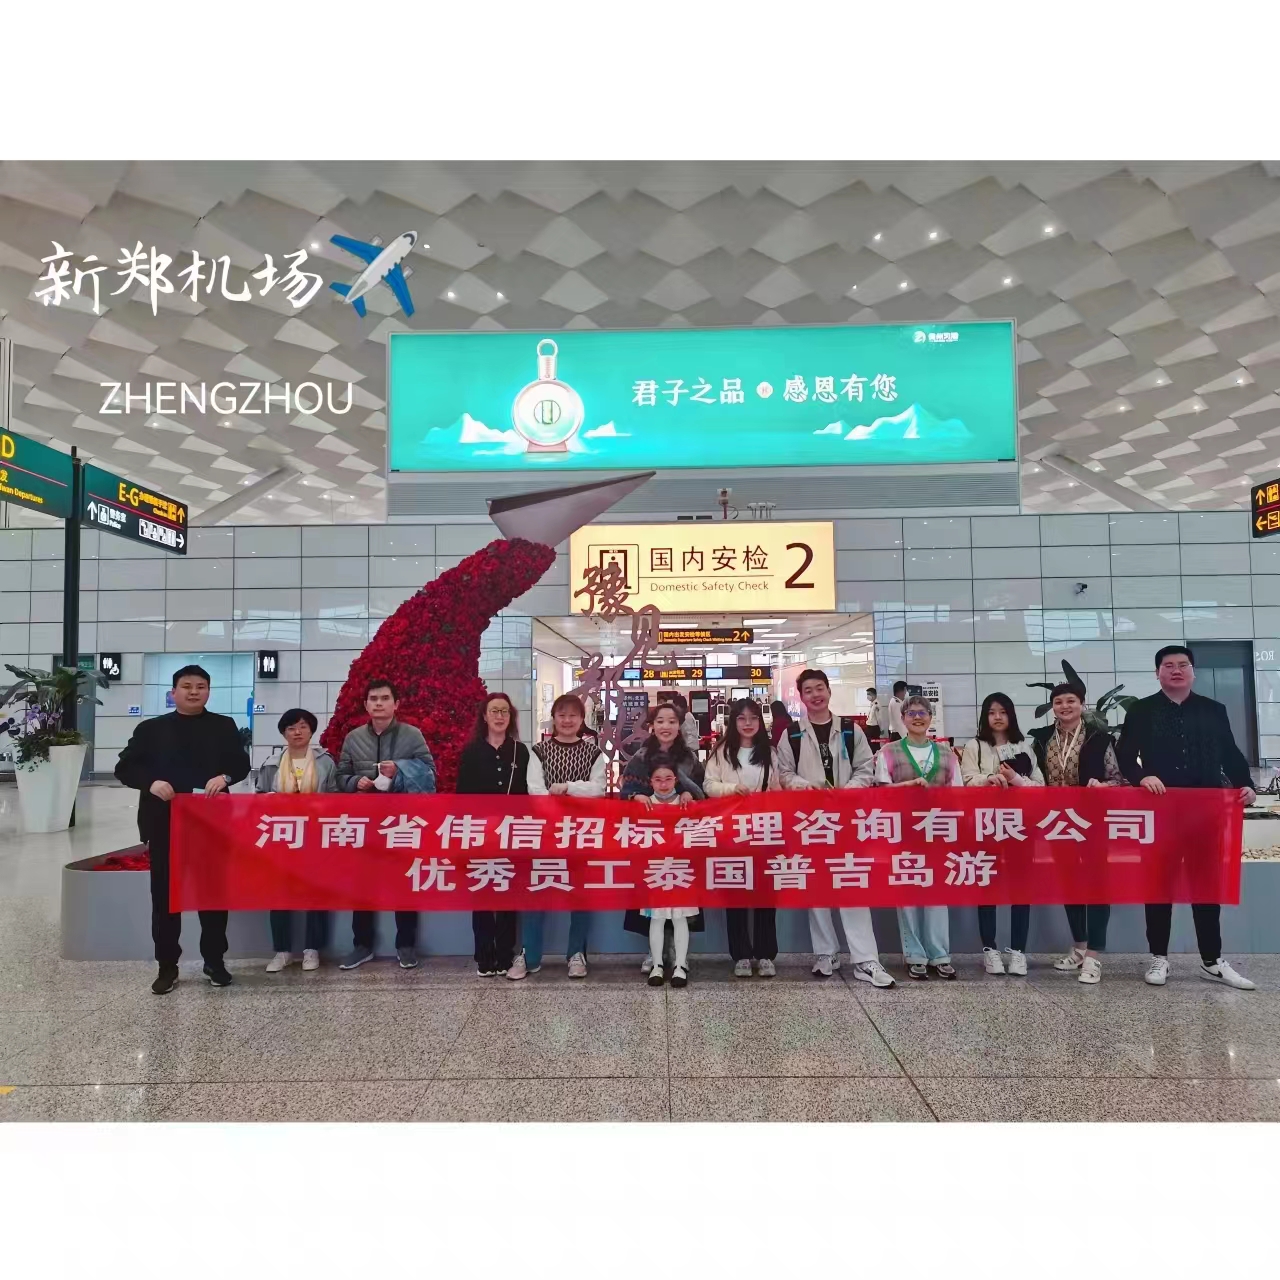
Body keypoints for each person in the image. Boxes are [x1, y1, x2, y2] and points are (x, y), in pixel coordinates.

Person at [1117, 645, 1257, 990]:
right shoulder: (1141, 710)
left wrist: (1246, 784)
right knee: (1158, 885)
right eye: (1168, 666)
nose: (1176, 670)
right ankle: (1158, 957)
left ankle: (1212, 959)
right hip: (1160, 811)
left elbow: (1230, 753)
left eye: (1183, 665)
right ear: (1158, 673)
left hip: (1205, 813)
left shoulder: (1213, 710)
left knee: (1205, 885)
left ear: (1193, 671)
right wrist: (1141, 777)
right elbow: (1124, 755)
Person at [115, 664, 251, 995]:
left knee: (213, 895)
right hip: (165, 824)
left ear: (208, 692)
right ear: (173, 692)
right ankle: (167, 966)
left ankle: (214, 961)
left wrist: (225, 777)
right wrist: (151, 782)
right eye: (187, 686)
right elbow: (124, 767)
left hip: (212, 826)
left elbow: (240, 764)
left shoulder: (223, 726)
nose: (194, 691)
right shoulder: (151, 729)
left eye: (201, 686)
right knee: (165, 898)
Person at [782, 668, 895, 987]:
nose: (815, 695)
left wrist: (847, 793)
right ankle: (825, 953)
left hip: (847, 820)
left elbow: (866, 768)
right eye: (808, 690)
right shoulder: (792, 734)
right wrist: (806, 787)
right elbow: (784, 773)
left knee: (851, 884)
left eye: (819, 688)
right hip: (810, 821)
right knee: (816, 888)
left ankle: (865, 959)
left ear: (828, 691)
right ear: (801, 697)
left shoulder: (850, 730)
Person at [336, 678, 436, 972]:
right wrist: (356, 781)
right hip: (365, 821)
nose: (378, 703)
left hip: (401, 821)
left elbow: (430, 774)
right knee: (362, 883)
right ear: (366, 705)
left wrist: (400, 769)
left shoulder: (412, 735)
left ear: (396, 704)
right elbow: (340, 777)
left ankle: (406, 945)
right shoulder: (353, 738)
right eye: (373, 699)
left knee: (404, 882)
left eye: (384, 698)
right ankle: (362, 945)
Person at [1029, 682, 1124, 984]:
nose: (1065, 706)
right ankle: (1080, 947)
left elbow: (1119, 779)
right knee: (1069, 883)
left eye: (1071, 701)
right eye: (1058, 702)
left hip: (1092, 821)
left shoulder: (1099, 738)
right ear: (1052, 707)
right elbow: (1034, 777)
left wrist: (1103, 786)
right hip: (1058, 821)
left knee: (1097, 885)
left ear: (1082, 704)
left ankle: (1094, 954)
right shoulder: (1042, 739)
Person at [516, 693, 607, 980]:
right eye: (562, 715)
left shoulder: (593, 753)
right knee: (536, 892)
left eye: (573, 715)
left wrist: (567, 787)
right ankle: (529, 955)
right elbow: (535, 790)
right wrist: (558, 809)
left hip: (582, 833)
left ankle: (576, 953)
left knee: (580, 895)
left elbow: (598, 789)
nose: (567, 720)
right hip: (546, 832)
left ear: (582, 720)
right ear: (554, 718)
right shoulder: (539, 750)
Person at [704, 697, 795, 978]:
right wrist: (731, 789)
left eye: (753, 718)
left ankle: (766, 954)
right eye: (741, 718)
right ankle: (741, 954)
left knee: (766, 895)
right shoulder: (721, 752)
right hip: (732, 831)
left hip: (765, 831)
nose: (747, 724)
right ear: (733, 722)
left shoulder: (769, 752)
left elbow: (778, 787)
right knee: (736, 893)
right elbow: (708, 784)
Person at [875, 694, 962, 980]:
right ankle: (914, 954)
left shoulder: (947, 755)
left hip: (938, 832)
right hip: (903, 833)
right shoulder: (888, 752)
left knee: (937, 895)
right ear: (902, 719)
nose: (917, 717)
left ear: (930, 718)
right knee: (908, 894)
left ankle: (940, 954)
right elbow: (881, 792)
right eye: (911, 713)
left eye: (922, 712)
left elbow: (959, 795)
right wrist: (907, 787)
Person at [961, 693, 1043, 976]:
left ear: (1011, 715)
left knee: (1021, 887)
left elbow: (1040, 786)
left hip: (1020, 826)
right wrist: (988, 779)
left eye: (1003, 712)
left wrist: (1016, 780)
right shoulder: (974, 746)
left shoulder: (1024, 746)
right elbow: (966, 780)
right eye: (991, 712)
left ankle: (1018, 951)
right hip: (986, 825)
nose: (997, 717)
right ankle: (990, 949)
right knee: (987, 885)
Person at [621, 706, 706, 969]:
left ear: (679, 726)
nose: (665, 726)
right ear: (652, 725)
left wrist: (690, 794)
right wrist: (636, 796)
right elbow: (625, 790)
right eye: (660, 721)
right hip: (651, 839)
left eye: (671, 721)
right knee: (653, 895)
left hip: (682, 839)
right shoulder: (640, 757)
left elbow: (703, 790)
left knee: (681, 895)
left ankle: (678, 951)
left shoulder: (690, 759)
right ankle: (654, 952)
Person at [256, 708, 337, 973]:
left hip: (316, 837)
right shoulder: (272, 763)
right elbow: (258, 798)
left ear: (311, 730)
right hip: (282, 837)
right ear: (283, 733)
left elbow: (337, 796)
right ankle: (282, 951)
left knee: (316, 894)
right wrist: (268, 800)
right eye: (291, 728)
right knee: (279, 894)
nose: (297, 732)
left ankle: (312, 949)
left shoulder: (325, 762)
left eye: (303, 726)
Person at [457, 693, 530, 977]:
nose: (499, 716)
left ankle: (505, 954)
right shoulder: (471, 752)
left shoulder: (520, 752)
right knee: (483, 893)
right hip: (481, 834)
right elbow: (463, 796)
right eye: (494, 711)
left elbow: (527, 795)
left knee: (508, 894)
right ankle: (484, 955)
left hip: (512, 833)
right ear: (484, 717)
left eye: (505, 712)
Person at [641, 760, 698, 989]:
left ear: (676, 780)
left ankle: (680, 966)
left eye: (668, 779)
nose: (663, 784)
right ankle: (657, 965)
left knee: (679, 916)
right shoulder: (644, 804)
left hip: (682, 867)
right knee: (657, 917)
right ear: (650, 782)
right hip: (655, 867)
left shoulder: (686, 803)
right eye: (658, 779)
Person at [864, 687, 882, 751]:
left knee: (875, 746)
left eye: (869, 694)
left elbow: (879, 718)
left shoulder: (876, 704)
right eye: (867, 694)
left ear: (874, 695)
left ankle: (876, 755)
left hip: (874, 728)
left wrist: (881, 729)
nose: (867, 696)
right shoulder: (872, 704)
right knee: (870, 745)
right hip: (870, 727)